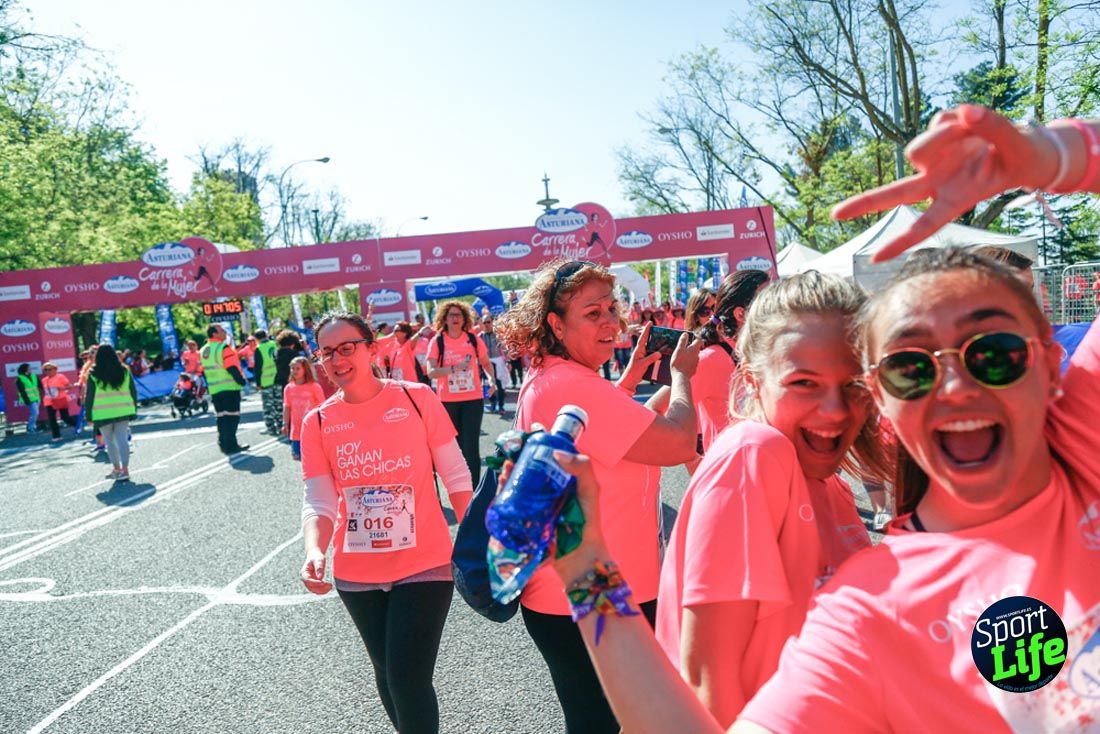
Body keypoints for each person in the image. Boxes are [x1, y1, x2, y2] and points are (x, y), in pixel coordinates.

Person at [528, 106, 1100, 734]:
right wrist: (586, 569)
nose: (958, 386)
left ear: (1049, 367)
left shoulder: (1078, 448)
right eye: (912, 367)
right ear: (889, 393)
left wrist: (1048, 158)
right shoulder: (866, 600)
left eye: (995, 354)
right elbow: (705, 702)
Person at [655, 270, 892, 727]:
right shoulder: (754, 456)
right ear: (752, 378)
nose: (836, 410)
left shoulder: (826, 481)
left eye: (853, 385)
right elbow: (709, 686)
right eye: (804, 382)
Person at [494, 259, 700, 734]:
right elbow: (677, 443)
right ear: (555, 325)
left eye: (612, 307)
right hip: (594, 594)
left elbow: (616, 438)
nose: (611, 321)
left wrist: (627, 386)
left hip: (584, 589)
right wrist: (682, 375)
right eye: (592, 313)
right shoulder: (572, 384)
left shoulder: (554, 376)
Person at [299, 311, 473, 734]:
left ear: (372, 348)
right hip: (358, 572)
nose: (337, 360)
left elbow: (456, 475)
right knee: (386, 671)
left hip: (425, 562)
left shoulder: (417, 398)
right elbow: (319, 500)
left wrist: (474, 537)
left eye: (347, 348)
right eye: (327, 353)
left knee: (407, 676)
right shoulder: (318, 421)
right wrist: (314, 550)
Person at [647, 269, 771, 457]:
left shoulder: (762, 353)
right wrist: (695, 462)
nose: (778, 308)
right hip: (732, 481)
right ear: (740, 314)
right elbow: (652, 411)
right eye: (768, 302)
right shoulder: (712, 359)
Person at [426, 300, 494, 486]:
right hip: (448, 401)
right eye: (451, 315)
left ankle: (474, 491)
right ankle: (459, 487)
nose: (455, 318)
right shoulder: (438, 341)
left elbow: (486, 363)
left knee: (471, 446)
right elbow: (431, 372)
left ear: (465, 319)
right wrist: (454, 368)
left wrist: (491, 379)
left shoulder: (472, 339)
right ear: (444, 319)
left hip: (473, 399)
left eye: (459, 315)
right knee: (455, 448)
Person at [86, 344, 137, 481]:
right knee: (122, 440)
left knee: (109, 442)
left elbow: (89, 396)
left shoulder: (93, 373)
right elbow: (133, 391)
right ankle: (125, 470)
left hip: (102, 413)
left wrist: (88, 415)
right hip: (123, 410)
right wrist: (134, 407)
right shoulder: (125, 371)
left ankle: (116, 469)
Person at [201, 323, 248, 454]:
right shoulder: (223, 348)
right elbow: (231, 367)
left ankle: (223, 443)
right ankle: (231, 446)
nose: (225, 332)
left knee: (221, 417)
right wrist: (242, 381)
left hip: (215, 389)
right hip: (229, 387)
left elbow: (203, 371)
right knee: (232, 417)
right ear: (214, 334)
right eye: (222, 330)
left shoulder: (204, 349)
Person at [281, 356, 324, 460]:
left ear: (305, 369)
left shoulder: (314, 387)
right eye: (292, 368)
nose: (294, 371)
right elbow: (287, 407)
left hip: (313, 430)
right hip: (296, 432)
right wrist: (285, 424)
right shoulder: (288, 388)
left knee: (313, 459)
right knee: (298, 458)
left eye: (298, 368)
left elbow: (323, 407)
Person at [274, 329, 306, 432]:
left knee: (287, 406)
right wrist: (305, 348)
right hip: (296, 383)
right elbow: (308, 362)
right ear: (293, 343)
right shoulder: (295, 355)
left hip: (282, 383)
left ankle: (288, 427)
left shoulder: (276, 354)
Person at [252, 329, 280, 435]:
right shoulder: (274, 344)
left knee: (268, 406)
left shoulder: (259, 349)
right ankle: (282, 426)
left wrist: (258, 383)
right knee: (279, 404)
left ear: (256, 339)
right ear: (266, 335)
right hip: (277, 379)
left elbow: (257, 368)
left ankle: (271, 428)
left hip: (266, 381)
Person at [479, 315, 508, 415]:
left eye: (488, 322)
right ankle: (492, 403)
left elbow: (505, 348)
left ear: (492, 322)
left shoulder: (498, 335)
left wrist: (508, 362)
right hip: (486, 363)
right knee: (487, 385)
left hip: (498, 361)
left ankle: (501, 406)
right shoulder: (480, 337)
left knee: (500, 385)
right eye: (484, 322)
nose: (486, 324)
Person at [41, 362, 77, 442]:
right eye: (45, 370)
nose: (47, 371)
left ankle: (77, 425)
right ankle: (56, 436)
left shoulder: (60, 377)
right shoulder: (44, 380)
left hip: (61, 399)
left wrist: (61, 388)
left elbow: (70, 386)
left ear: (55, 369)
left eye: (49, 369)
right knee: (52, 419)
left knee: (65, 417)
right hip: (49, 401)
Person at [15, 363, 43, 434]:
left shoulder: (34, 376)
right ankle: (30, 428)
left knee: (35, 414)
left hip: (36, 398)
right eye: (29, 368)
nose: (31, 369)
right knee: (35, 413)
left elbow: (40, 385)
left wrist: (42, 391)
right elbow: (21, 390)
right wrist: (26, 400)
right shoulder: (20, 378)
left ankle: (33, 427)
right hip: (29, 399)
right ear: (25, 369)